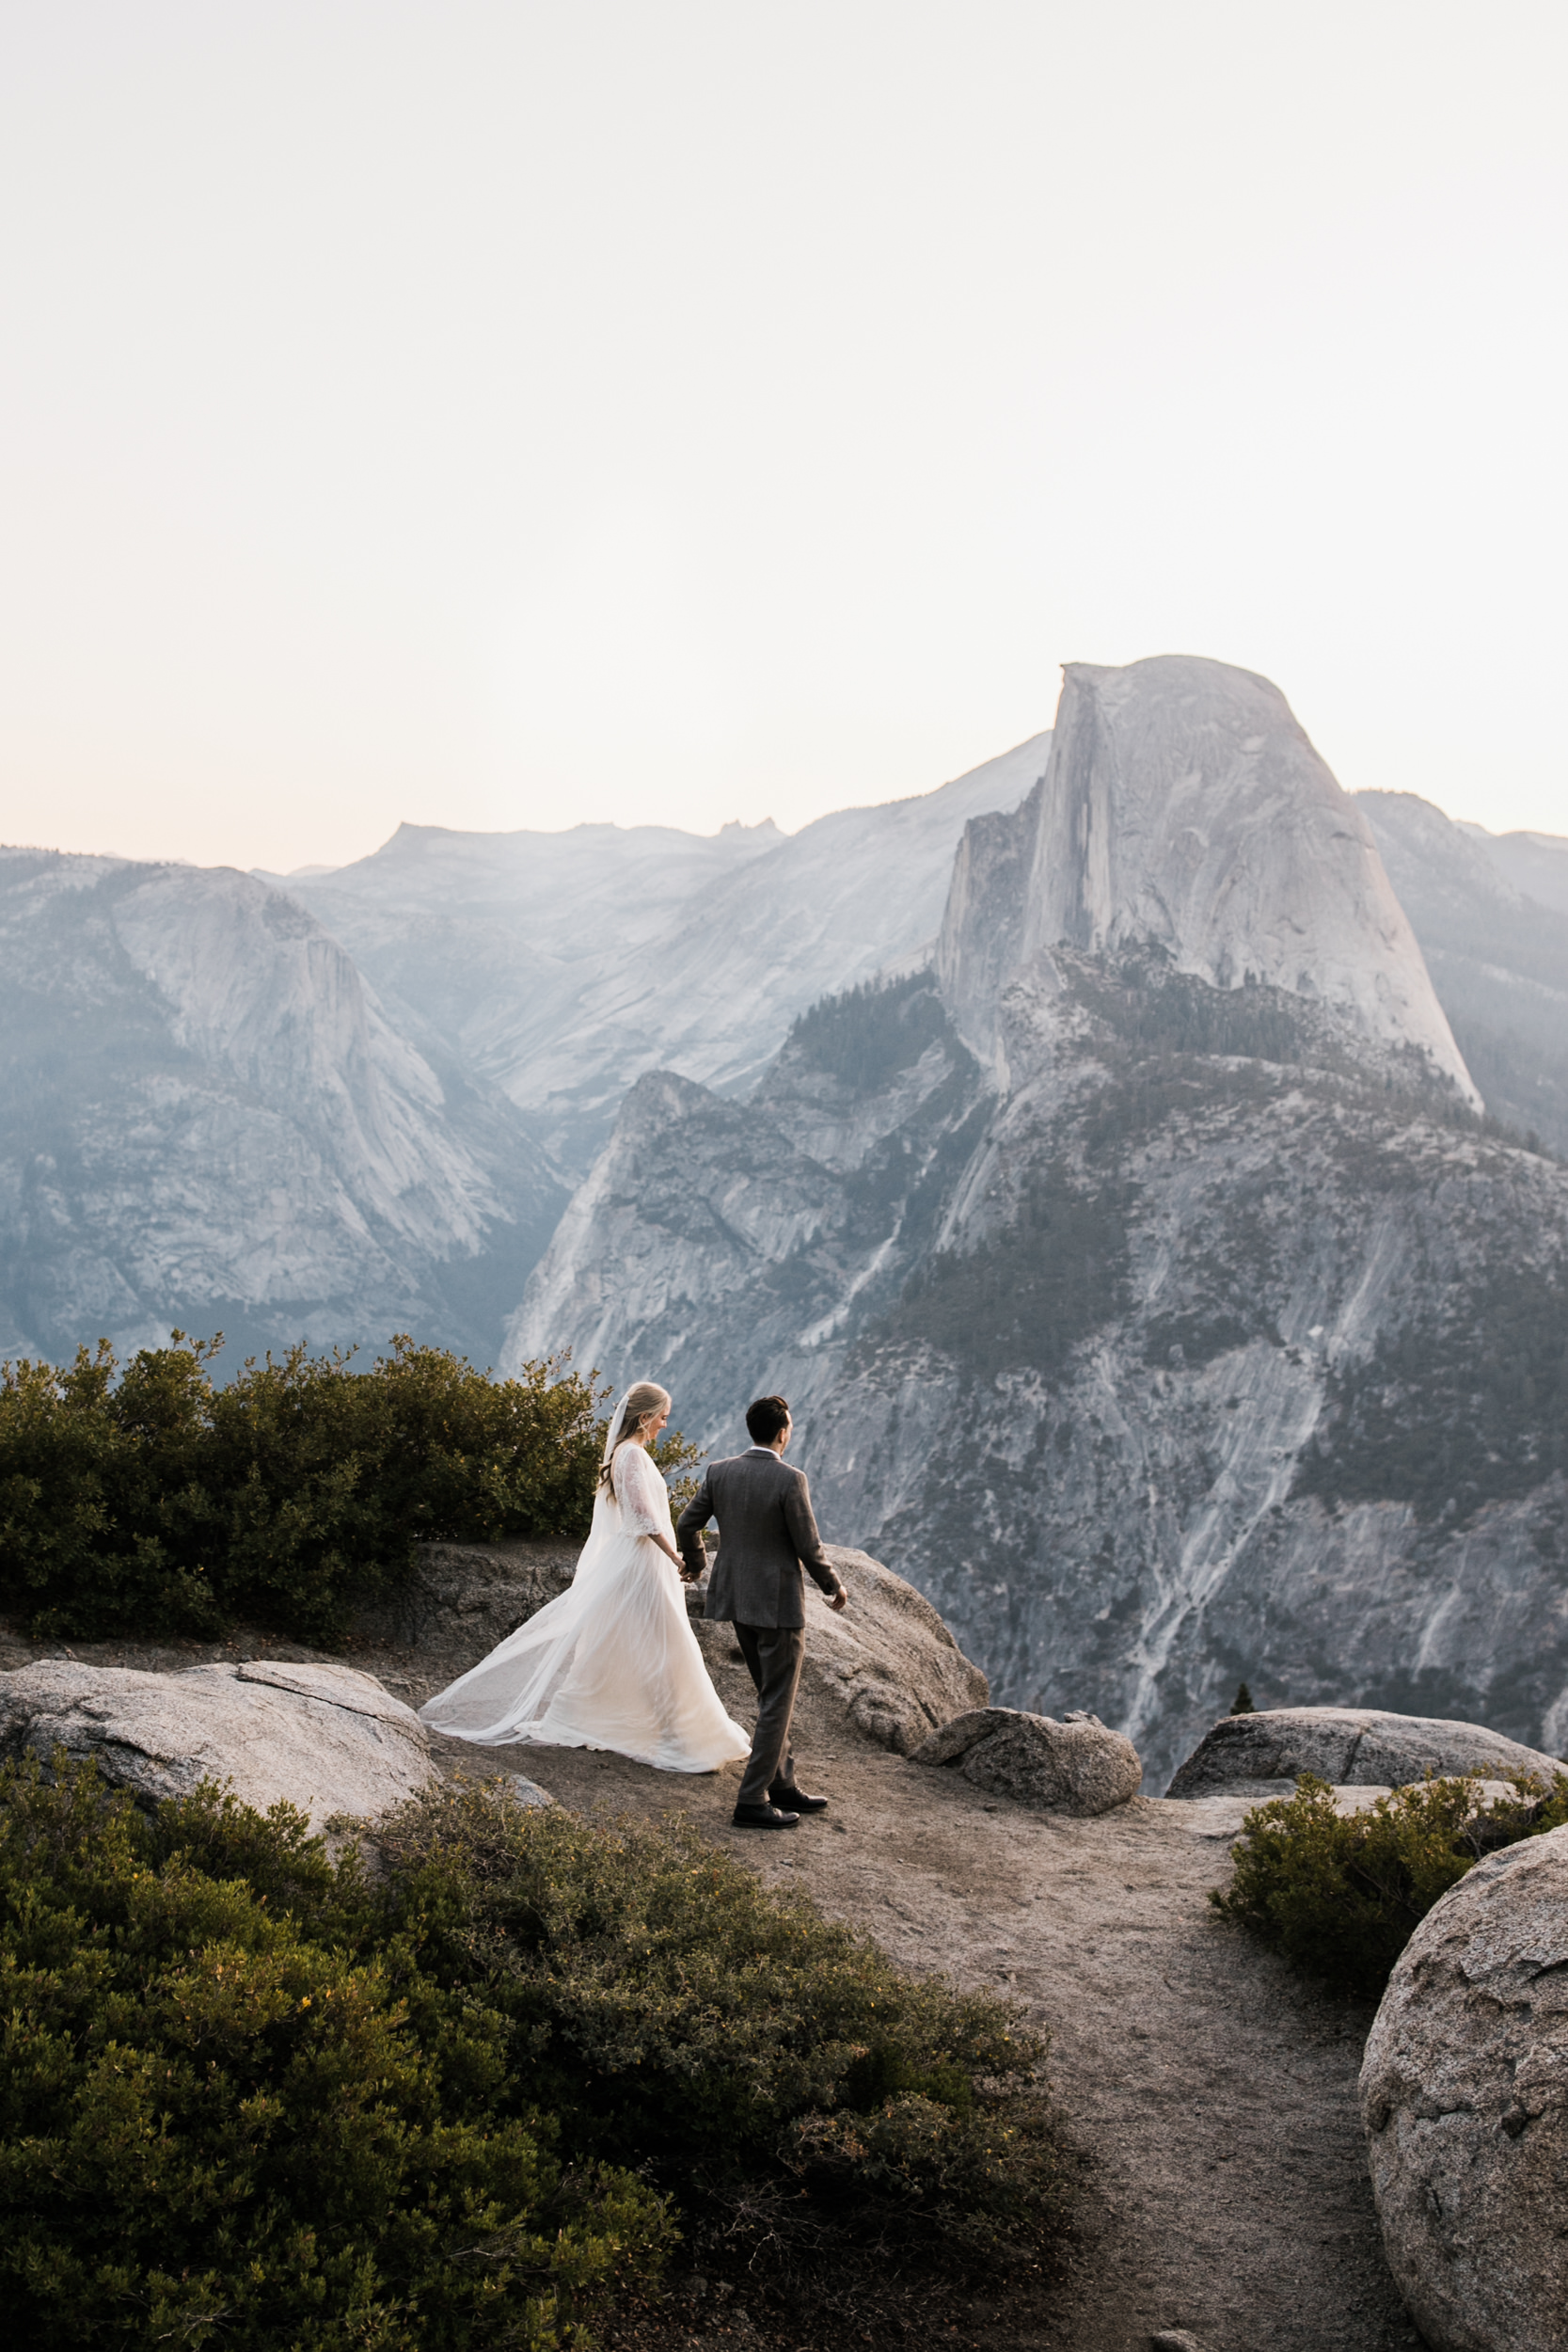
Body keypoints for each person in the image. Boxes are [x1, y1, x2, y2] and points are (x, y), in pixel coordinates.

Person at [419, 1381, 749, 1773]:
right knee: (664, 1646)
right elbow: (642, 1518)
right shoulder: (630, 1455)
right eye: (662, 1416)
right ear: (643, 1418)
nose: (665, 1424)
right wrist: (676, 1557)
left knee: (640, 1644)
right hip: (641, 1564)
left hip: (643, 1562)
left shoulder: (630, 1454)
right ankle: (673, 1735)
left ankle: (639, 1723)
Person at [677, 1393, 848, 1829]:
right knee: (777, 1700)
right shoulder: (790, 1480)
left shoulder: (721, 1472)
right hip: (777, 1605)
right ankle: (752, 1800)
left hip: (737, 1599)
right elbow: (808, 1546)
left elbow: (686, 1523)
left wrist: (697, 1562)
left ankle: (782, 1784)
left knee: (771, 1695)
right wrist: (833, 1585)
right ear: (782, 1433)